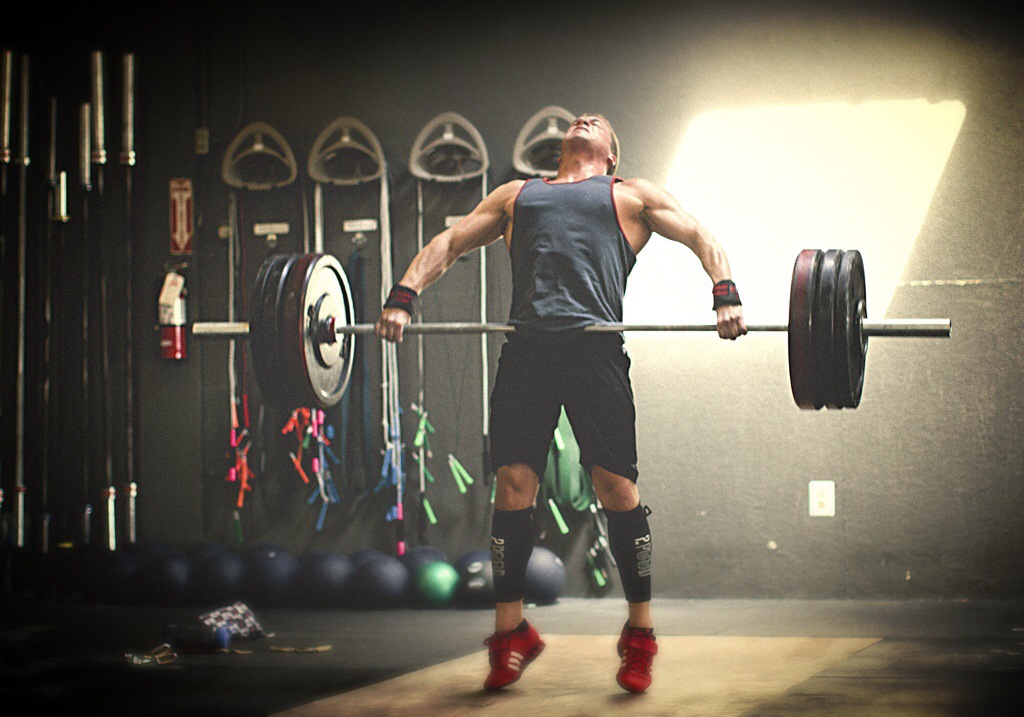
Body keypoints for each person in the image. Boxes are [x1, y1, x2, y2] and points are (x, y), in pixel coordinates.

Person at [375, 114, 746, 693]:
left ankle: (640, 633)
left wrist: (724, 292)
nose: (584, 119)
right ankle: (510, 633)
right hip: (528, 351)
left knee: (616, 489)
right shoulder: (518, 195)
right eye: (579, 119)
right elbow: (449, 242)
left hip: (596, 352)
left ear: (611, 155)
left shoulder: (631, 194)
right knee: (512, 486)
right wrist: (403, 295)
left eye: (598, 123)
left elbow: (700, 235)